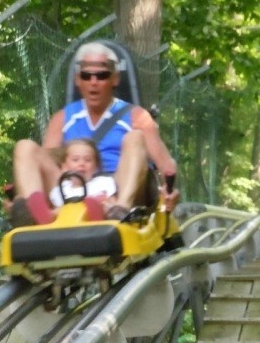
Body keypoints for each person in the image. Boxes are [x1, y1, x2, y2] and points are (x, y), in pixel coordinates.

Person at [9, 41, 179, 226]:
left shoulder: (137, 116)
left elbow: (166, 164)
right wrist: (19, 196)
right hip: (70, 189)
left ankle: (119, 212)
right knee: (24, 147)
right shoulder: (62, 119)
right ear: (78, 80)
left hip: (117, 190)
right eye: (87, 75)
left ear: (114, 79)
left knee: (135, 137)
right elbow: (46, 165)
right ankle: (30, 210)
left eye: (102, 75)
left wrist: (170, 192)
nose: (94, 82)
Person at [48, 138, 117, 209]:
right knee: (59, 211)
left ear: (96, 167)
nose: (81, 163)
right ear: (64, 167)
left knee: (104, 205)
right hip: (70, 217)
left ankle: (95, 208)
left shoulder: (103, 182)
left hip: (97, 217)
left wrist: (107, 204)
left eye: (87, 160)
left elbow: (114, 204)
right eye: (75, 160)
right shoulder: (61, 189)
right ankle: (46, 214)